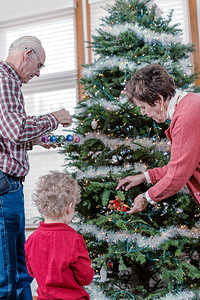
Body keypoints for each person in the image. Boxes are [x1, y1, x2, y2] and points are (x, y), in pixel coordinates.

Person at [0, 36, 73, 299]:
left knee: (19, 273)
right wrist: (54, 118)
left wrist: (36, 139)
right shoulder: (5, 78)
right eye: (38, 65)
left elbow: (8, 135)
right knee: (8, 278)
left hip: (9, 188)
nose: (39, 73)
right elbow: (16, 129)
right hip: (4, 190)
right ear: (27, 53)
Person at [116, 63, 200, 214]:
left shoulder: (186, 117)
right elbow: (184, 163)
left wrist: (146, 197)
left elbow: (178, 175)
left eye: (143, 107)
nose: (143, 113)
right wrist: (144, 177)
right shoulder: (190, 104)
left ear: (158, 100)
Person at [25, 171, 94, 300]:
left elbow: (32, 272)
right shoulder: (74, 240)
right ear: (69, 207)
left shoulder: (32, 240)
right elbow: (85, 278)